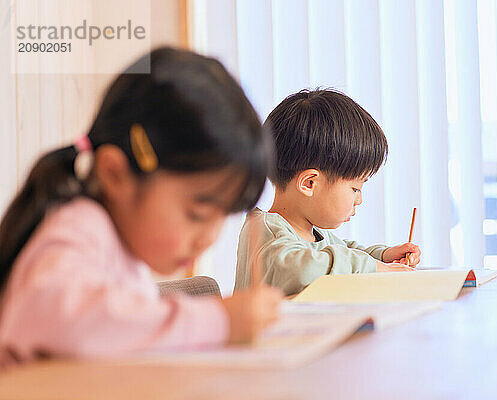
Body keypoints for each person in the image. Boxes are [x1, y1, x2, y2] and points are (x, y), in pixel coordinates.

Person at [0, 47, 282, 366]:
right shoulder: (78, 229)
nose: (209, 238)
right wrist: (218, 320)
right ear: (115, 175)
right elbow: (70, 324)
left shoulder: (116, 244)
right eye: (197, 215)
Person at [235, 89, 421, 296]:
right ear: (309, 183)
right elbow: (303, 268)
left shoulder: (314, 236)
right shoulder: (265, 230)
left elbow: (347, 252)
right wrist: (376, 268)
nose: (359, 200)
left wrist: (384, 256)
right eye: (355, 188)